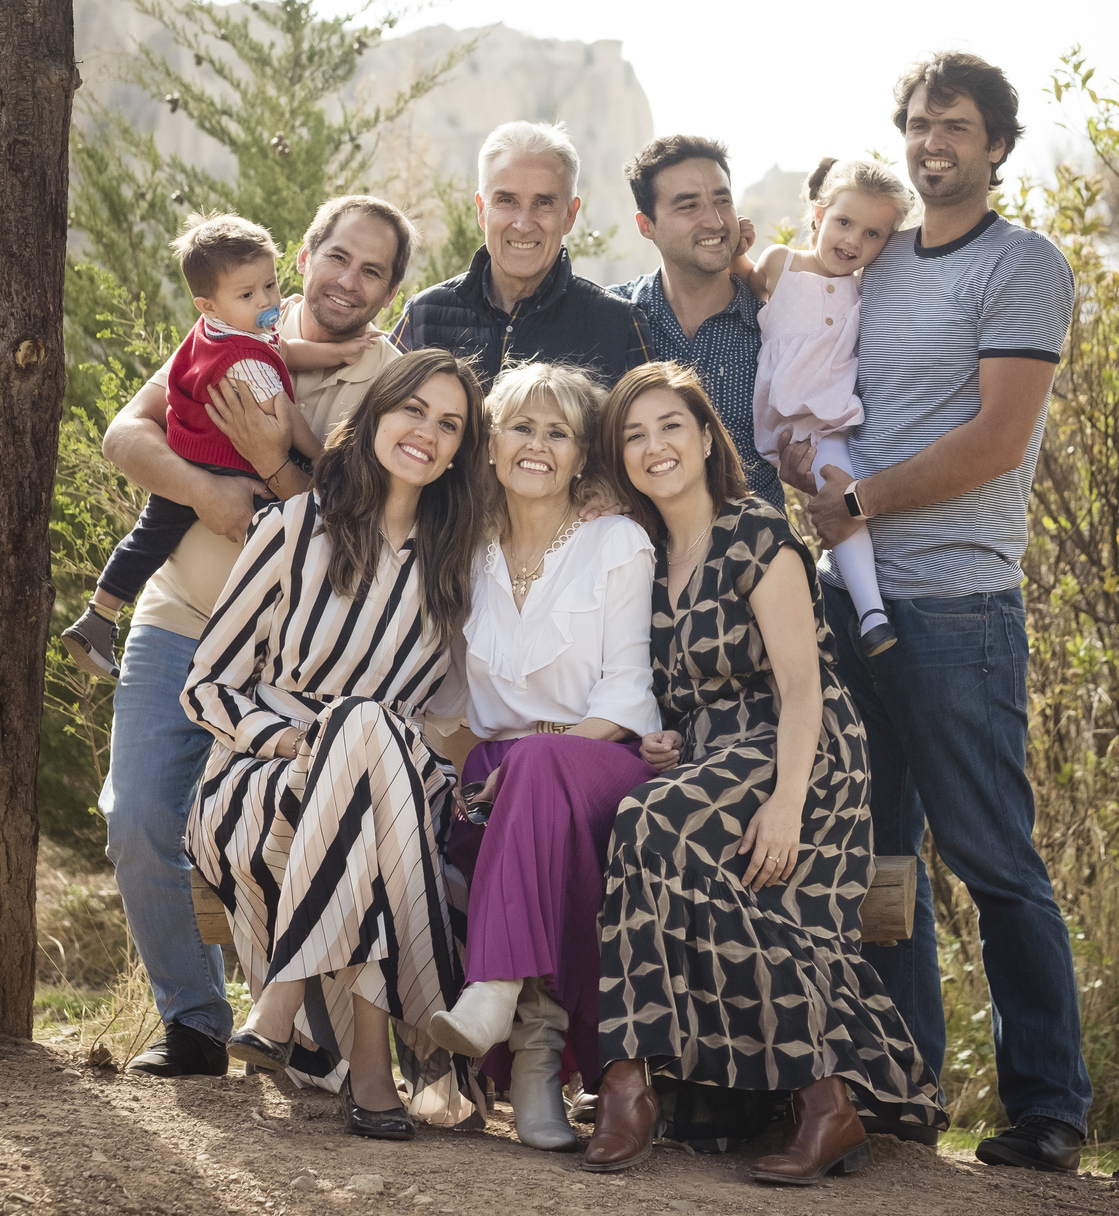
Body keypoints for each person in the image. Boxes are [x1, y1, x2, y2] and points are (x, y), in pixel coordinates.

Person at [792, 52, 1091, 1174]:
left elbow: (998, 439)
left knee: (991, 857)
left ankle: (1049, 1106)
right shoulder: (878, 256)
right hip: (847, 597)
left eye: (957, 125)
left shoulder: (1023, 264)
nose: (933, 142)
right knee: (877, 861)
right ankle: (900, 1084)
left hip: (958, 609)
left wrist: (860, 500)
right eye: (921, 122)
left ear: (997, 145)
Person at [581, 362, 942, 1183]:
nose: (654, 446)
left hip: (800, 752)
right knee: (680, 857)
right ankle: (822, 1102)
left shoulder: (755, 533)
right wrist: (665, 743)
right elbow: (667, 692)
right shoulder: (640, 557)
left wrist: (786, 804)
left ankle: (626, 1081)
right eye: (634, 435)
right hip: (712, 759)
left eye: (671, 426)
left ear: (708, 439)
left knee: (646, 824)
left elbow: (803, 687)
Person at [97, 194, 417, 1080]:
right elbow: (125, 434)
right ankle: (194, 1021)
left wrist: (276, 468)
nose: (348, 280)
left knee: (278, 826)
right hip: (179, 617)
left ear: (391, 291)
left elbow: (362, 522)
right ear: (306, 257)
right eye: (338, 257)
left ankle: (301, 1028)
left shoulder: (384, 379)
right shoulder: (227, 323)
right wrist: (205, 490)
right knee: (138, 818)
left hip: (291, 658)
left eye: (373, 271)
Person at [182, 350, 489, 1136]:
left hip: (393, 785)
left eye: (449, 424)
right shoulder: (292, 527)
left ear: (461, 451)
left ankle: (283, 998)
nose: (426, 432)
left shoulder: (458, 565)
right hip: (264, 783)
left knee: (367, 732)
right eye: (413, 410)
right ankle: (380, 1066)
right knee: (359, 731)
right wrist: (293, 742)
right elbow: (207, 684)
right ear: (377, 413)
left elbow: (455, 711)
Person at [426, 361, 659, 1153]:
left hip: (604, 766)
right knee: (505, 779)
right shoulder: (464, 551)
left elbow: (628, 693)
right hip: (499, 780)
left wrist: (530, 758)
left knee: (531, 767)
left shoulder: (616, 540)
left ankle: (499, 997)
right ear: (490, 445)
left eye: (558, 433)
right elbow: (447, 704)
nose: (537, 445)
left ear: (581, 455)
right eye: (521, 427)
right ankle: (534, 1057)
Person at [62, 211, 348, 681]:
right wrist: (320, 456)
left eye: (270, 285)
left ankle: (99, 615)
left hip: (188, 450)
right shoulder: (245, 360)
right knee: (279, 521)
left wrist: (337, 353)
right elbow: (284, 416)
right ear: (207, 304)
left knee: (148, 537)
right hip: (224, 464)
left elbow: (281, 349)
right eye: (248, 295)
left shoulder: (216, 330)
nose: (266, 300)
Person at [732, 157, 914, 659]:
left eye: (873, 234)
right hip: (790, 421)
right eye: (844, 222)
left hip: (834, 420)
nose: (853, 240)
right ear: (818, 214)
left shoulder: (867, 289)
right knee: (841, 496)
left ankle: (871, 614)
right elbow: (744, 283)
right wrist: (737, 250)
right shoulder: (782, 263)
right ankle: (866, 609)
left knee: (845, 496)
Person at [391, 120, 652, 388]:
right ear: (481, 211)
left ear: (570, 215)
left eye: (544, 203)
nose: (523, 224)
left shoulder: (619, 327)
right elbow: (376, 410)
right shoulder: (423, 317)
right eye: (507, 201)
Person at [611, 136, 783, 510]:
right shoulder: (609, 318)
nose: (715, 221)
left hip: (761, 543)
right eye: (689, 205)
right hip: (642, 544)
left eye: (722, 201)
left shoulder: (777, 323)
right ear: (646, 225)